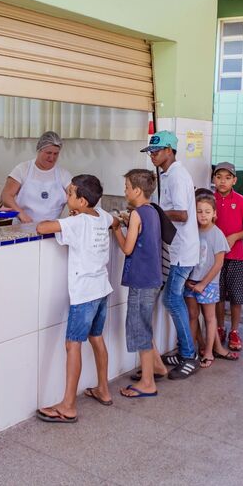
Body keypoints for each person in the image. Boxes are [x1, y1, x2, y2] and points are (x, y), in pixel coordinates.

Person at [35, 175, 113, 423]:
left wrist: (68, 218)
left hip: (84, 294)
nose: (65, 197)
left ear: (81, 200)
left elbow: (42, 227)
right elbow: (116, 219)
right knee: (96, 338)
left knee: (73, 345)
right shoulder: (102, 216)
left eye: (69, 194)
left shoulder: (77, 223)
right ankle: (103, 388)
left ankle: (68, 405)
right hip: (102, 288)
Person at [140, 130, 200, 380]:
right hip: (178, 249)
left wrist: (153, 212)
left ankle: (189, 355)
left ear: (169, 151)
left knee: (172, 301)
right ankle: (185, 350)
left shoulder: (175, 176)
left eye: (156, 151)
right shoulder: (170, 174)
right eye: (151, 152)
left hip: (181, 251)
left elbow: (183, 214)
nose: (152, 156)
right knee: (172, 300)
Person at [111, 169, 163, 398]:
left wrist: (115, 230)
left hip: (141, 279)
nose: (125, 191)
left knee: (140, 327)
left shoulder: (136, 215)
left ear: (137, 190)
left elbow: (128, 248)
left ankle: (148, 382)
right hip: (152, 277)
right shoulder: (151, 211)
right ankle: (158, 366)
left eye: (126, 187)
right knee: (144, 323)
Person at [185, 190, 240, 367]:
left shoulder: (217, 234)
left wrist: (203, 283)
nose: (203, 215)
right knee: (192, 316)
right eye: (199, 211)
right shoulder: (192, 232)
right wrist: (188, 280)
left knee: (209, 318)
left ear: (215, 214)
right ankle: (189, 351)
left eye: (207, 211)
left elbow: (218, 264)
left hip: (207, 284)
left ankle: (209, 352)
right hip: (191, 282)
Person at [211, 162, 243, 351]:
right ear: (214, 179)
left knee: (236, 296)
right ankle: (220, 327)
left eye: (227, 178)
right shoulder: (209, 200)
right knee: (218, 295)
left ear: (234, 180)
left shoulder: (242, 201)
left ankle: (235, 331)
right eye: (219, 177)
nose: (223, 181)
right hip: (214, 257)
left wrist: (235, 236)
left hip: (236, 256)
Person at [0, 131, 71, 224]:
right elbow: (6, 196)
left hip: (51, 230)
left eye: (55, 154)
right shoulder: (23, 169)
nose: (52, 157)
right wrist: (21, 214)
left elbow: (75, 196)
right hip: (22, 228)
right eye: (48, 153)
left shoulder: (63, 174)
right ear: (39, 150)